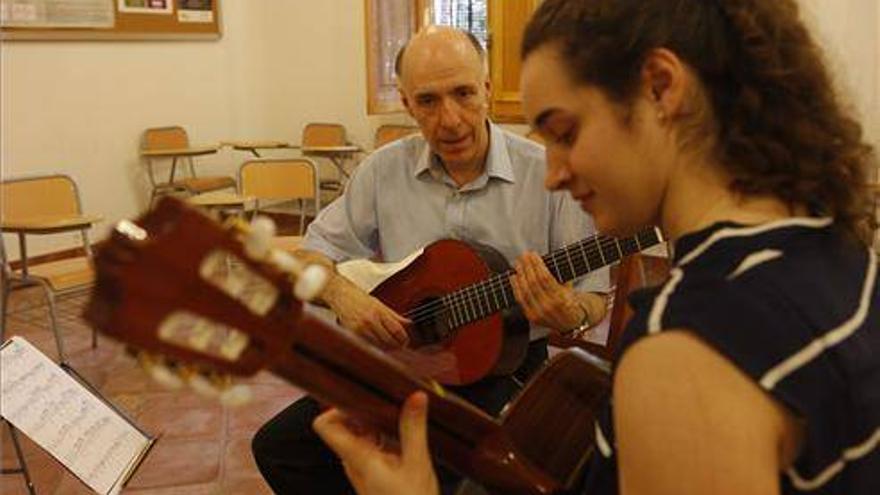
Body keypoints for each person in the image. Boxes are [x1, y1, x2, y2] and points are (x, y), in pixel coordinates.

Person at [312, 0, 880, 494]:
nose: (553, 174)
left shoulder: (689, 353)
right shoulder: (836, 251)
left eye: (565, 132)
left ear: (660, 87)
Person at [251, 25, 610, 494]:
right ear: (405, 103)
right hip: (404, 362)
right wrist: (342, 294)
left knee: (477, 475)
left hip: (505, 368)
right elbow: (307, 257)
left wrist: (570, 312)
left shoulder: (546, 174)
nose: (451, 119)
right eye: (428, 101)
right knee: (280, 448)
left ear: (486, 90)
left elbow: (594, 299)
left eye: (463, 93)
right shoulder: (382, 171)